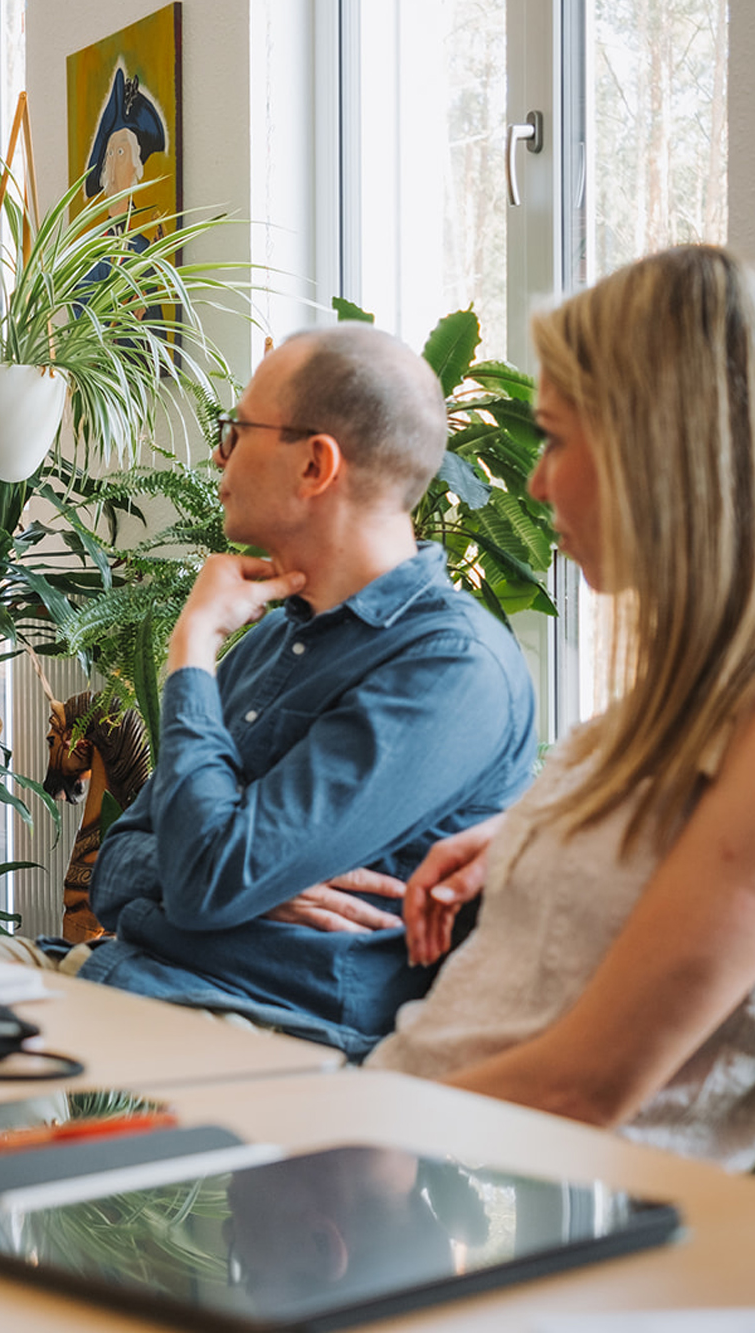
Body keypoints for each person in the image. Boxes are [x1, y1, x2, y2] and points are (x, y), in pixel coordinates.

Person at [368, 245, 755, 1170]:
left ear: (668, 447)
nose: (538, 482)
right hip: (431, 1154)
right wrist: (537, 834)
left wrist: (325, 1126)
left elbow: (579, 1090)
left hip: (514, 1201)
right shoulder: (699, 700)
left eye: (555, 437)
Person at [73, 324, 538, 1058]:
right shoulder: (267, 637)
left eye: (237, 429)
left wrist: (191, 647)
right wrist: (229, 875)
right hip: (122, 986)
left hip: (261, 1038)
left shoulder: (451, 665)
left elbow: (208, 878)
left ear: (316, 464)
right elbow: (119, 861)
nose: (218, 454)